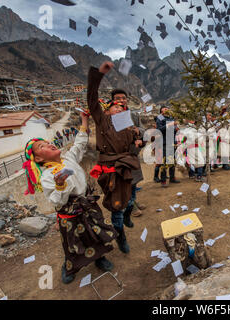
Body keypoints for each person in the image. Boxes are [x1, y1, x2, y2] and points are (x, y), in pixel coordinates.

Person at [22, 111, 117, 284]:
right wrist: (60, 185)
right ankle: (71, 267)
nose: (49, 144)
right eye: (42, 146)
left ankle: (99, 258)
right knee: (73, 243)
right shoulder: (47, 176)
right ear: (38, 158)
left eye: (48, 142)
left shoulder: (68, 158)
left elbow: (80, 143)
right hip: (70, 216)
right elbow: (56, 201)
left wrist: (84, 119)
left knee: (95, 234)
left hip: (88, 207)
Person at [87, 61, 142, 254]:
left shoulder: (127, 126)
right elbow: (92, 98)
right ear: (107, 109)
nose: (118, 109)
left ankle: (128, 217)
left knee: (130, 200)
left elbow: (133, 147)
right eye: (114, 106)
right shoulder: (102, 120)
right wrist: (98, 75)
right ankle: (120, 236)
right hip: (111, 171)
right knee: (117, 208)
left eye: (121, 107)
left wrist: (137, 143)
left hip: (127, 167)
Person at [110, 89, 147, 218]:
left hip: (132, 152)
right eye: (117, 98)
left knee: (134, 181)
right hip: (120, 155)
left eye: (123, 98)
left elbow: (142, 128)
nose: (121, 100)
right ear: (112, 100)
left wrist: (138, 131)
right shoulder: (109, 115)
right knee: (126, 182)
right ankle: (130, 206)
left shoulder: (133, 115)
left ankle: (133, 201)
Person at [156, 105, 181, 187]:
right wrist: (169, 125)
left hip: (172, 142)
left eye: (168, 108)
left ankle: (172, 178)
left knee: (172, 161)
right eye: (164, 108)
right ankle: (163, 180)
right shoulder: (159, 118)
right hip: (164, 142)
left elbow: (174, 130)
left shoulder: (171, 118)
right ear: (161, 111)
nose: (167, 109)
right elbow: (159, 130)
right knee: (164, 162)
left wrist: (176, 129)